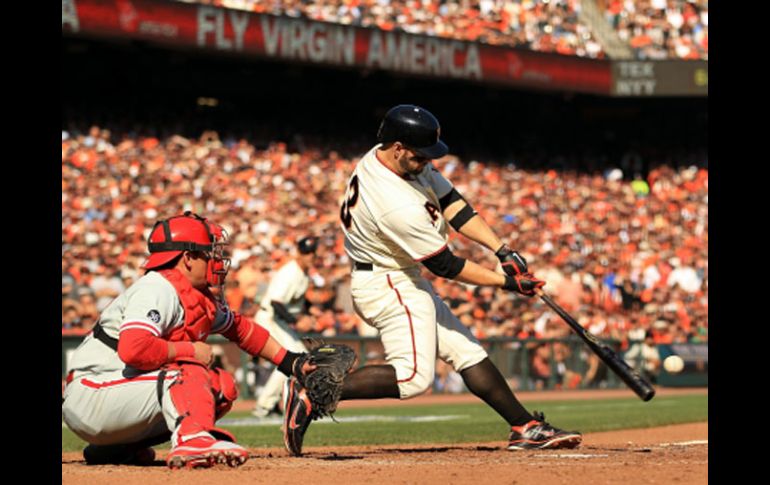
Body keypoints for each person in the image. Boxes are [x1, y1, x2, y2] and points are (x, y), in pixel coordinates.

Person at [283, 105, 581, 454]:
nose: (427, 162)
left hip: (398, 275)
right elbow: (445, 265)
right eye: (421, 156)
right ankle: (313, 388)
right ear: (398, 148)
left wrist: (502, 250)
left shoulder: (391, 157)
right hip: (387, 283)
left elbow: (453, 203)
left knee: (466, 351)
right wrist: (506, 283)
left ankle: (525, 427)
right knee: (412, 378)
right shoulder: (394, 203)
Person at [62, 212, 315, 469]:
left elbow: (240, 329)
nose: (217, 260)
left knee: (222, 388)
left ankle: (116, 449)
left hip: (113, 394)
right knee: (188, 370)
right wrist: (189, 349)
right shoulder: (157, 288)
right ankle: (193, 440)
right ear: (188, 257)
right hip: (91, 393)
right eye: (209, 253)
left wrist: (291, 361)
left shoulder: (193, 295)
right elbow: (133, 348)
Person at [251, 236, 319, 418]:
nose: (309, 256)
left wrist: (310, 311)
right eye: (305, 252)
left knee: (296, 359)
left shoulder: (303, 273)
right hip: (269, 317)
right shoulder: (291, 272)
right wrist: (296, 321)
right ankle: (264, 406)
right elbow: (276, 303)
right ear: (298, 253)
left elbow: (298, 300)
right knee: (292, 359)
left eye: (312, 252)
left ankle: (269, 405)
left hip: (278, 320)